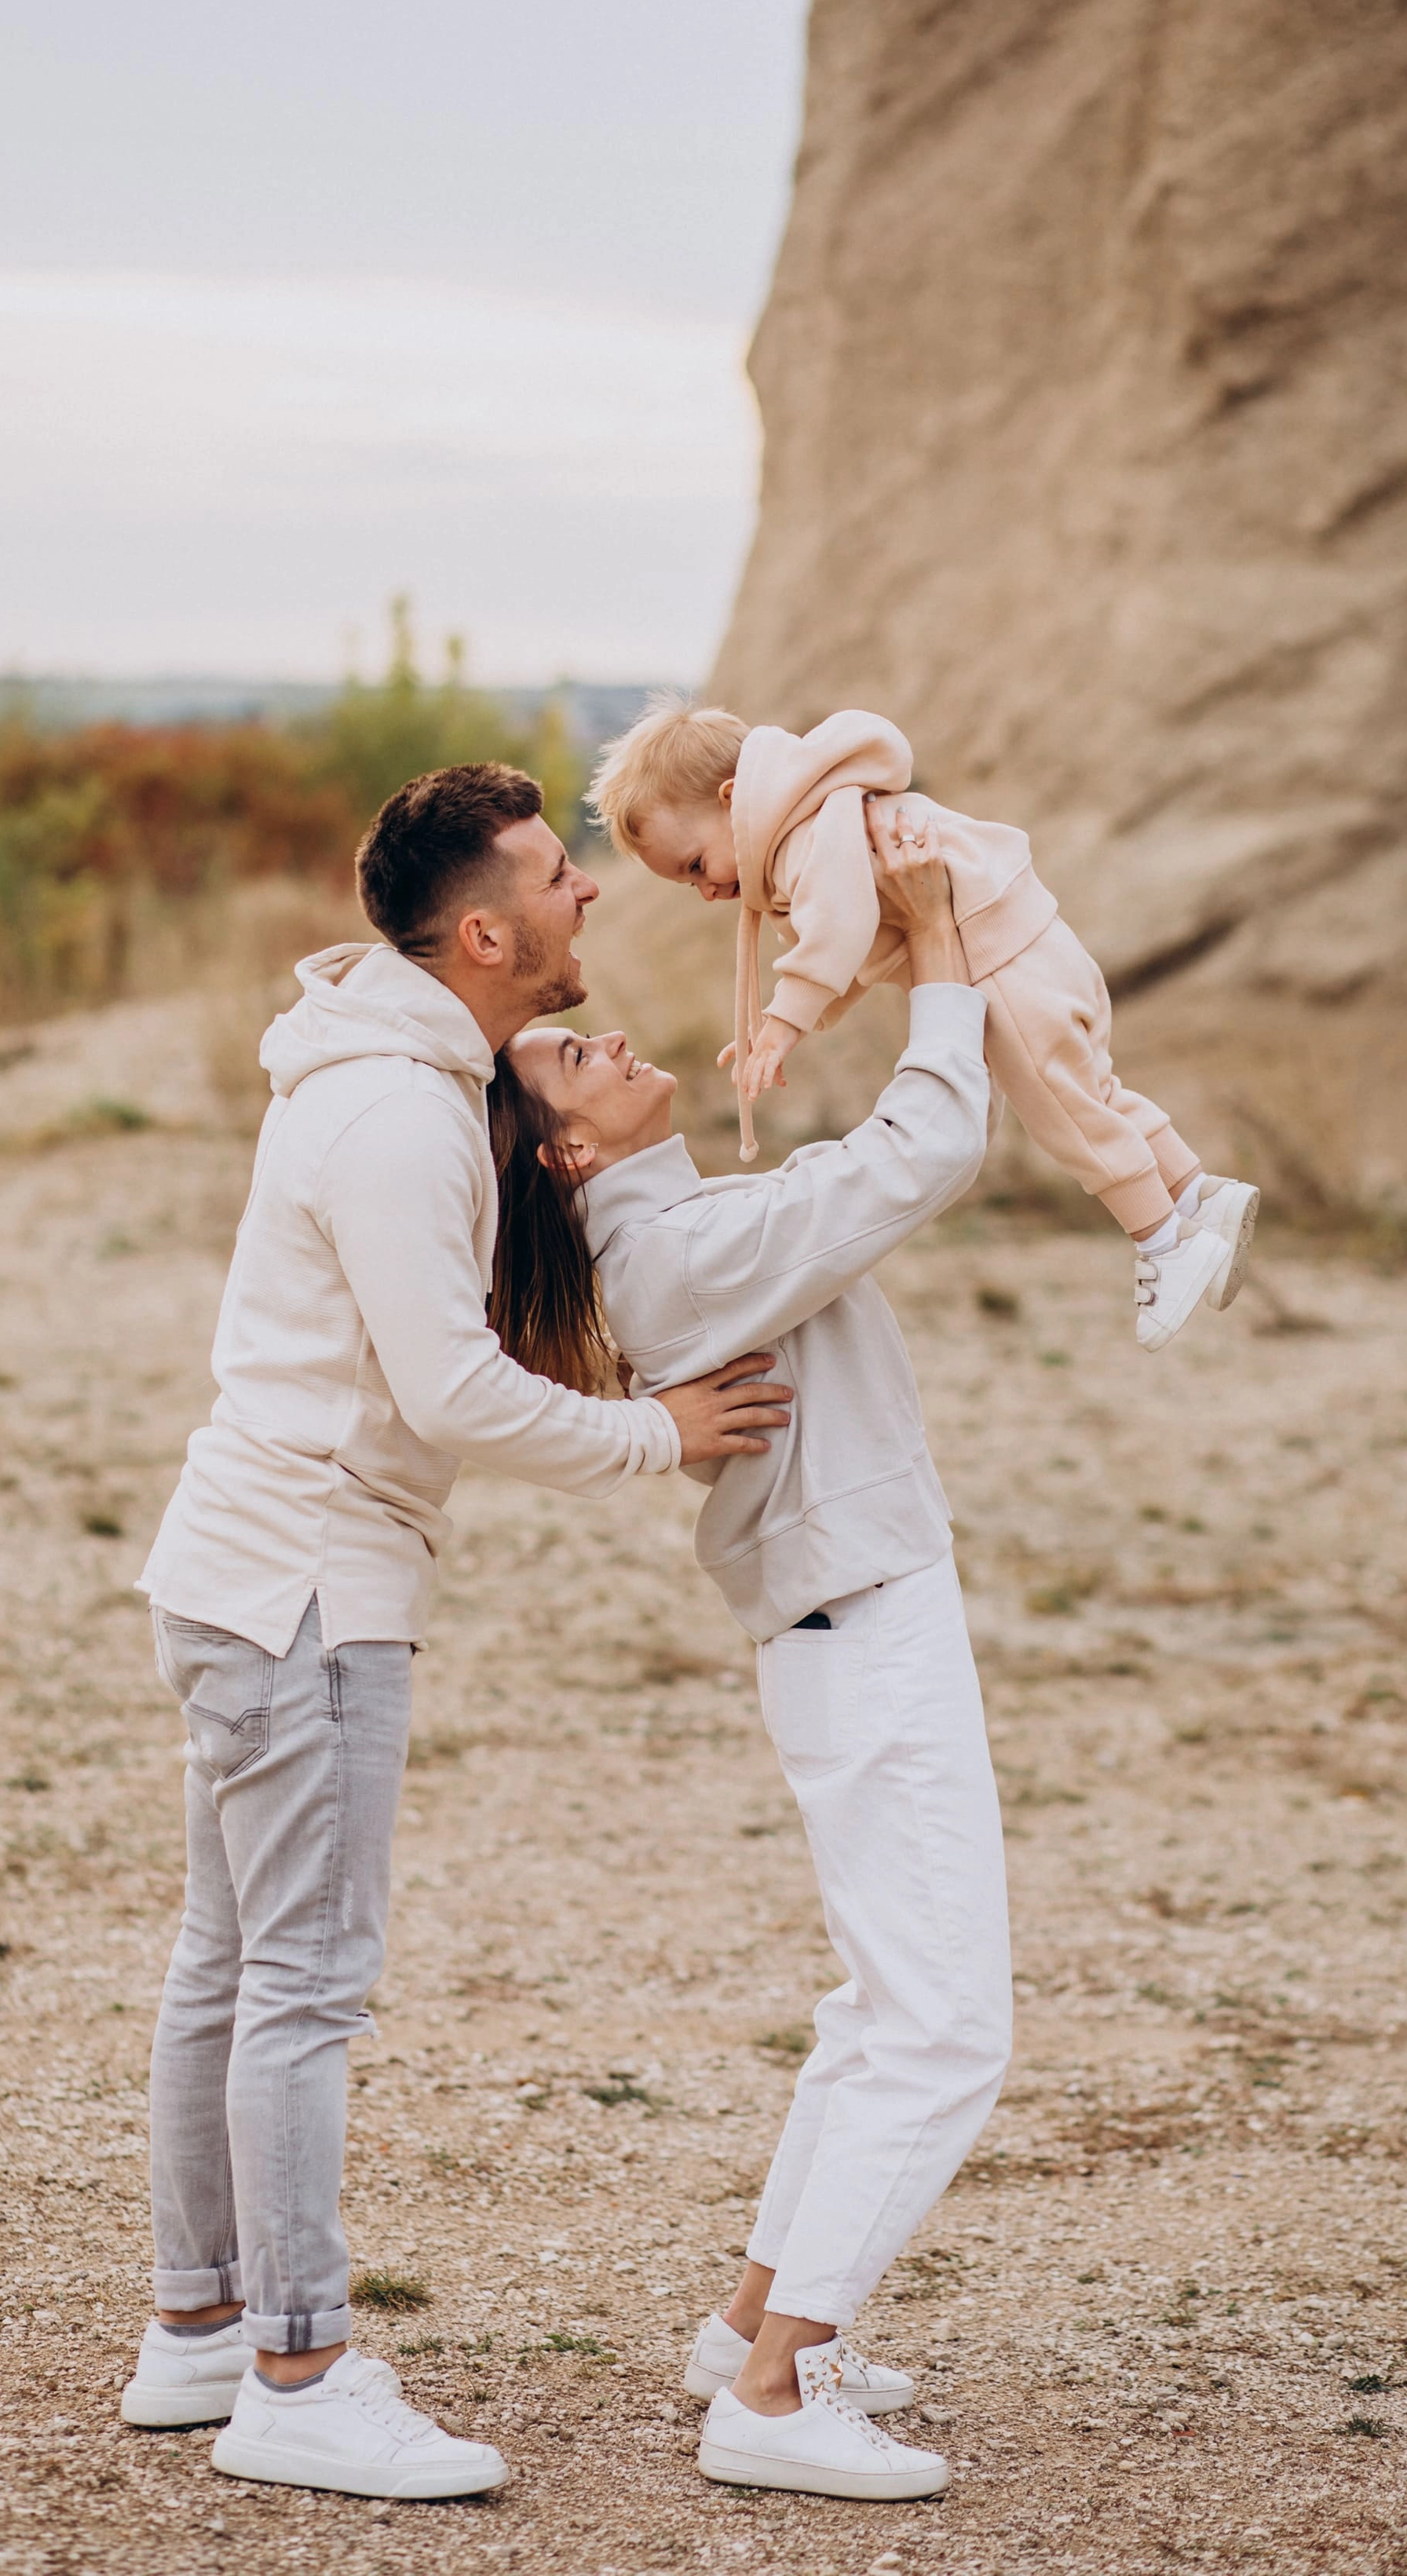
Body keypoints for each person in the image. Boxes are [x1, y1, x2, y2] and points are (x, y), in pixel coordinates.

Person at [121, 762, 791, 2505]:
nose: (589, 893)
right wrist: (659, 1435)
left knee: (227, 1968)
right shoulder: (400, 1118)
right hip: (308, 1596)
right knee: (297, 1987)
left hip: (243, 1570)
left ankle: (200, 2328)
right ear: (483, 933)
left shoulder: (396, 1073)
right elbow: (451, 1391)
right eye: (559, 877)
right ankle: (296, 2375)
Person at [489, 809, 1011, 2505]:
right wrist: (940, 954)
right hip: (864, 1629)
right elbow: (919, 1154)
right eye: (570, 1061)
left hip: (850, 1622)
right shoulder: (685, 1252)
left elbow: (843, 1183)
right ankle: (777, 2399)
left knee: (880, 2007)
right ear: (566, 1157)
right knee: (945, 2028)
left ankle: (748, 2331)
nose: (606, 1040)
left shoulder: (685, 1227)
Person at [588, 696, 1260, 1351]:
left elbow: (839, 931)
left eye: (697, 866)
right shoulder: (828, 813)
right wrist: (787, 1023)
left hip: (996, 962)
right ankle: (1197, 1196)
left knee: (1065, 1115)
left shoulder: (804, 839)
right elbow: (858, 946)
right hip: (1031, 940)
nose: (707, 891)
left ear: (733, 800)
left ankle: (1163, 1242)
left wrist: (786, 1020)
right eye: (690, 884)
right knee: (1093, 1090)